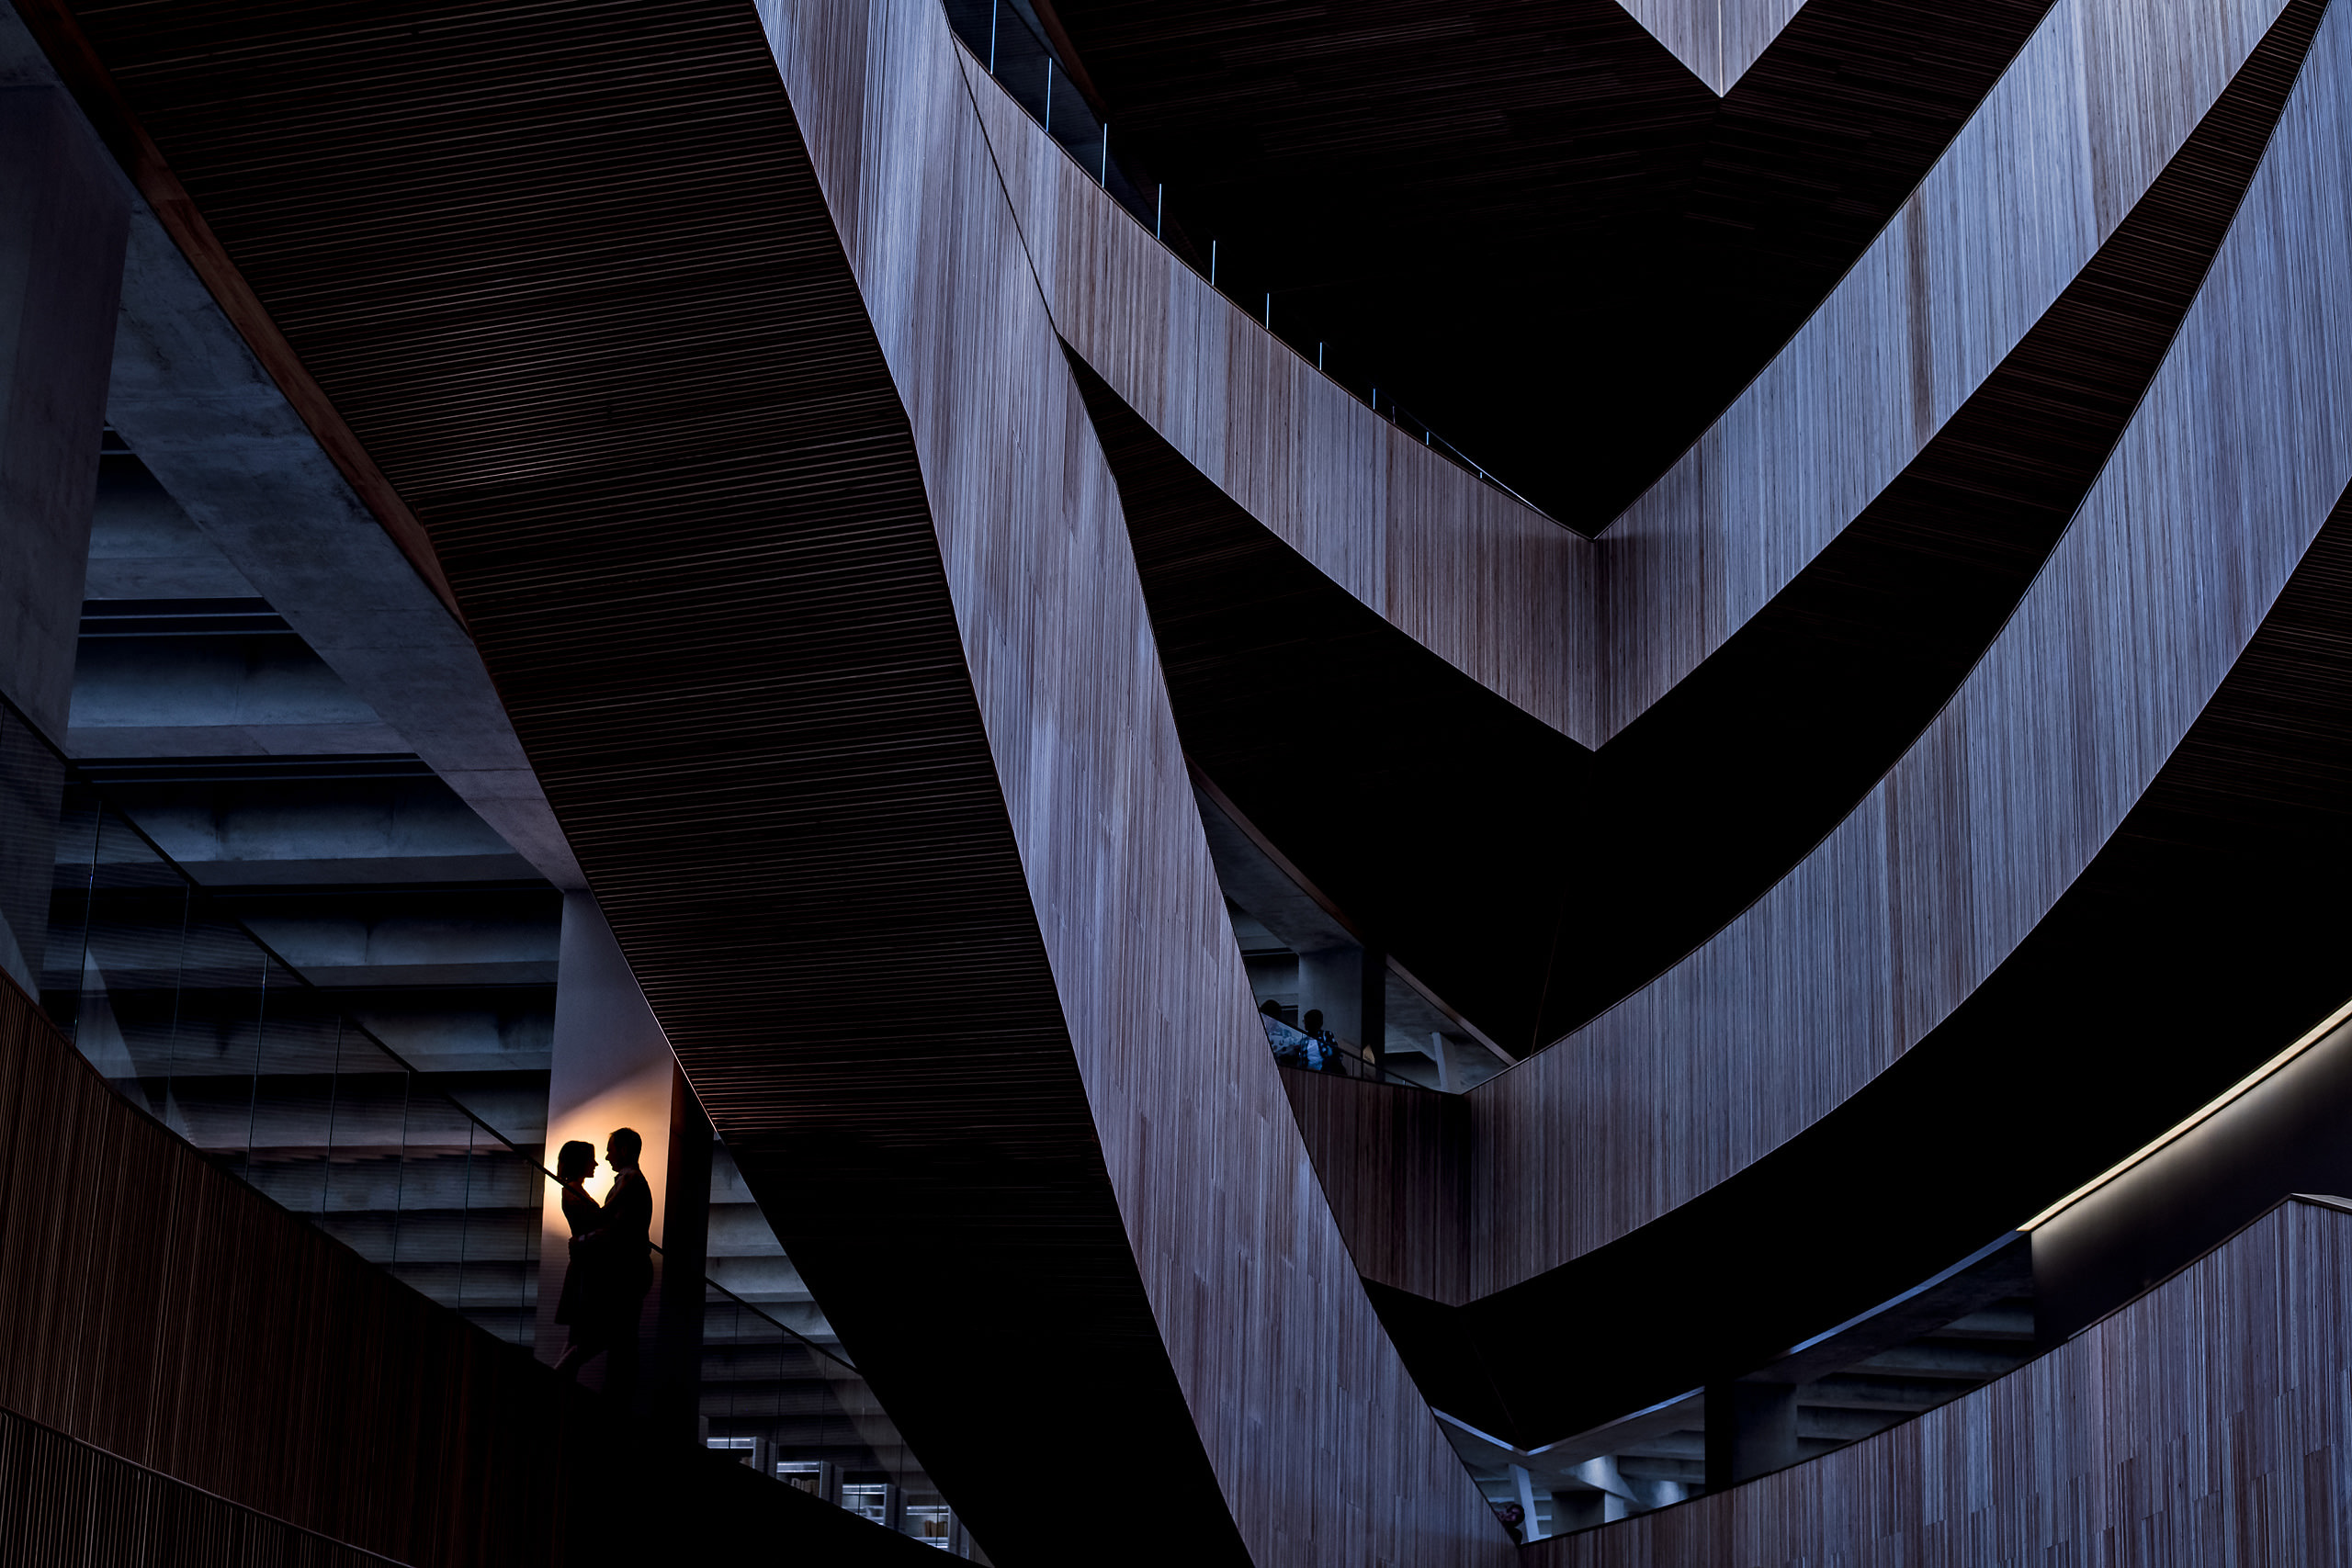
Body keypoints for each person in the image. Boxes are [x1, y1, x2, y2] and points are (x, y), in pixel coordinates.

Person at [553, 1127, 656, 1407]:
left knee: (595, 1338)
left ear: (623, 1150)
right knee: (603, 1338)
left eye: (609, 1150)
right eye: (595, 1157)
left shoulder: (628, 1180)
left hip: (608, 1272)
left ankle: (557, 1389)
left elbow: (610, 1224)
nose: (604, 1159)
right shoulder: (624, 1182)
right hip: (598, 1273)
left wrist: (583, 1240)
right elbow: (609, 1223)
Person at [549, 1139, 605, 1355]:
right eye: (591, 1159)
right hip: (585, 1269)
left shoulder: (574, 1191)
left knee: (578, 1336)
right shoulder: (574, 1194)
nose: (596, 1164)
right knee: (580, 1338)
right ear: (580, 1162)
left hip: (584, 1266)